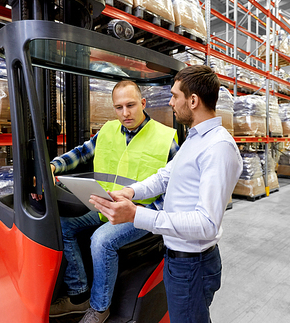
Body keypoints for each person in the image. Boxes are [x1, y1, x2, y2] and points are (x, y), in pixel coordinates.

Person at [90, 65, 243, 323]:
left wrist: (137, 214)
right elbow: (165, 176)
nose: (170, 102)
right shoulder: (195, 138)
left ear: (193, 100)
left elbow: (206, 224)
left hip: (192, 265)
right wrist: (130, 191)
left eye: (174, 96)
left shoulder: (218, 148)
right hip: (178, 259)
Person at [48, 80, 179, 323]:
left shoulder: (165, 139)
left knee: (101, 240)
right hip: (104, 205)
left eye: (130, 105)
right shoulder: (107, 130)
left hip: (138, 212)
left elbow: (176, 189)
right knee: (62, 224)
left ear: (143, 103)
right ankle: (78, 294)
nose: (125, 113)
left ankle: (99, 308)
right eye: (118, 107)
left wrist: (145, 214)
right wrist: (53, 166)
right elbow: (80, 153)